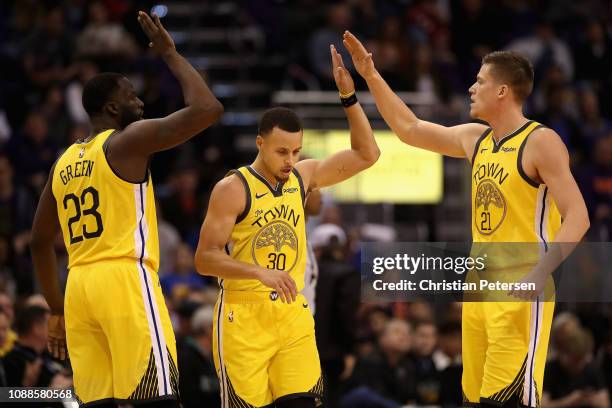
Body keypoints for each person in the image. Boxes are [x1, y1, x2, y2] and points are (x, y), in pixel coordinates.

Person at [343, 31, 590, 407]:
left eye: (480, 81)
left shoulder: (540, 141)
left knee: (507, 400)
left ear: (503, 91)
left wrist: (541, 272)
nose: (472, 88)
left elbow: (579, 217)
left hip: (520, 288)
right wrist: (370, 75)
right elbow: (409, 129)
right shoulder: (476, 139)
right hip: (478, 288)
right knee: (473, 400)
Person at [29, 11, 223, 407]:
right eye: (132, 95)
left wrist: (55, 309)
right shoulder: (125, 141)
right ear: (113, 110)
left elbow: (38, 241)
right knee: (159, 398)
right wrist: (170, 53)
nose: (141, 101)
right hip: (124, 279)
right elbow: (207, 109)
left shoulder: (63, 161)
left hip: (79, 287)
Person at [194, 45, 380, 408]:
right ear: (260, 142)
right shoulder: (232, 188)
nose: (290, 160)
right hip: (243, 314)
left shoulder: (302, 176)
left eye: (296, 151)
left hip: (292, 313)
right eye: (282, 152)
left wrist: (348, 96)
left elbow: (367, 154)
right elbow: (204, 258)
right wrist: (256, 272)